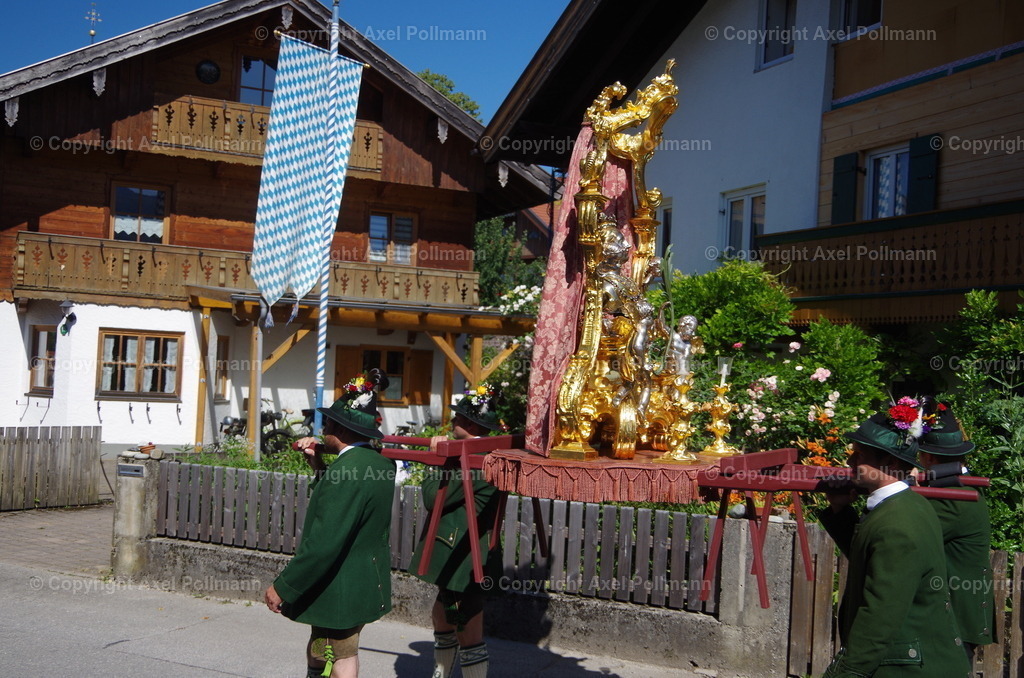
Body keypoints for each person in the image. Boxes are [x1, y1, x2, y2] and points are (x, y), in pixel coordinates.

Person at [264, 370, 396, 678]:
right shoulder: (379, 464)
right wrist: (320, 465)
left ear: (341, 427)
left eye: (329, 423)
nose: (324, 429)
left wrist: (284, 586)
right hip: (362, 578)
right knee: (323, 650)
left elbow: (325, 542)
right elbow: (350, 504)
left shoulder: (345, 471)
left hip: (339, 583)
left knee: (339, 655)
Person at [819, 411, 971, 678]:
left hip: (907, 668)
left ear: (889, 462)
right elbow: (871, 558)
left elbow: (879, 616)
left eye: (860, 456)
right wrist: (840, 510)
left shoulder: (898, 524)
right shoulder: (905, 506)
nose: (850, 460)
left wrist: (845, 673)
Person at [408, 385, 506, 678]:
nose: (452, 425)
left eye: (458, 420)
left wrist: (435, 461)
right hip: (459, 550)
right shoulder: (478, 452)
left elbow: (431, 497)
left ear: (471, 425)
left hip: (466, 555)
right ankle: (442, 672)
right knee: (444, 615)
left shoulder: (480, 458)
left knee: (466, 624)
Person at [918, 404, 995, 664]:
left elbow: (897, 540)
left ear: (928, 458)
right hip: (948, 620)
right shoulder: (954, 487)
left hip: (952, 622)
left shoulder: (953, 496)